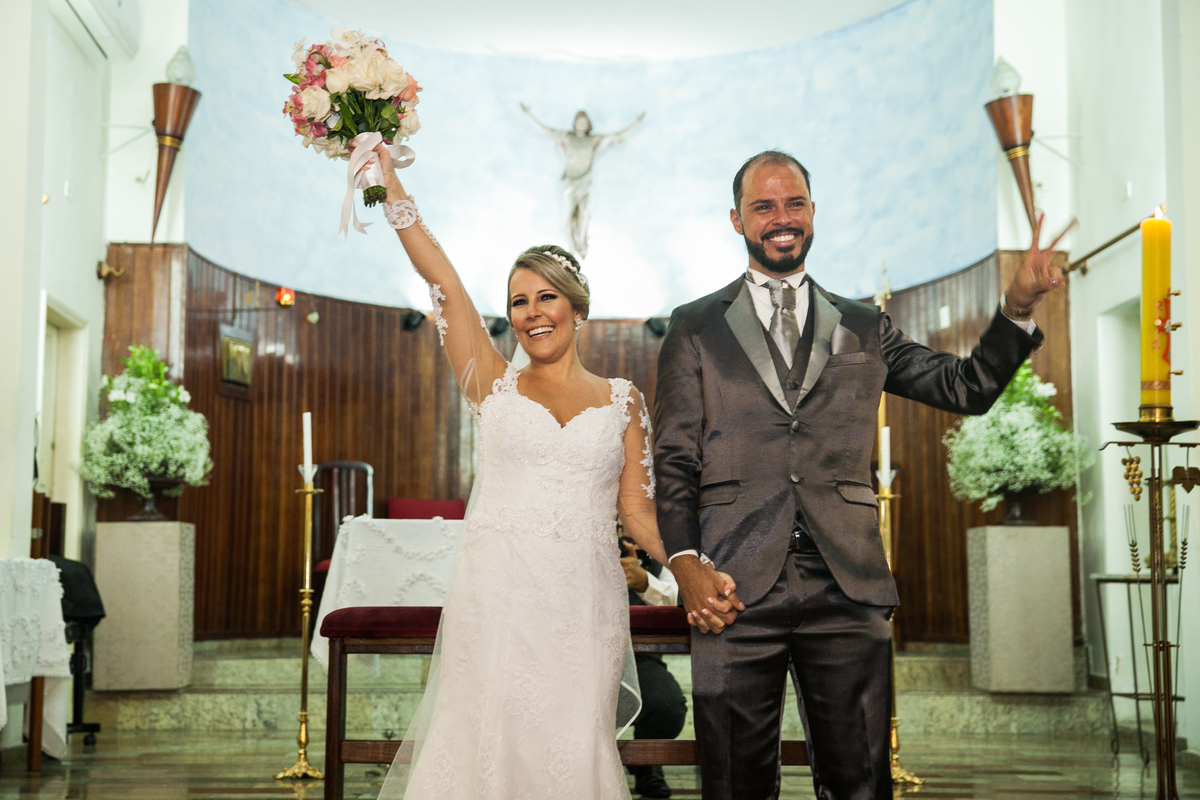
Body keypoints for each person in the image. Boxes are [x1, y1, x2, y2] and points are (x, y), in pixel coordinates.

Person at [653, 150, 1072, 799]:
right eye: (763, 206)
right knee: (734, 784)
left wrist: (1017, 306)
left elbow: (967, 387)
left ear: (814, 213)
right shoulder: (694, 326)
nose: (781, 218)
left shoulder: (862, 326)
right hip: (732, 583)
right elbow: (675, 458)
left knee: (862, 785)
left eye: (794, 203)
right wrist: (684, 561)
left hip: (847, 584)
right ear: (735, 219)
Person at [359, 142, 739, 800]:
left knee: (569, 746)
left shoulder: (623, 400)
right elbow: (443, 281)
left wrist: (691, 565)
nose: (532, 311)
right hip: (498, 594)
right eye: (518, 301)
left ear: (577, 307)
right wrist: (388, 183)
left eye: (546, 297)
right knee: (486, 739)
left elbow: (640, 513)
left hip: (580, 604)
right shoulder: (492, 385)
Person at [519, 104, 645, 258]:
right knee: (567, 216)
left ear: (588, 125)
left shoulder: (592, 140)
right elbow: (544, 130)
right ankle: (571, 245)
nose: (581, 125)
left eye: (584, 123)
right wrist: (527, 114)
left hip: (584, 182)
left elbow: (617, 135)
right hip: (569, 183)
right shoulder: (566, 137)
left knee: (584, 214)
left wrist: (636, 123)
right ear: (574, 123)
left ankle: (581, 242)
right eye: (579, 122)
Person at [619, 535, 687, 798]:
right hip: (579, 657)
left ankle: (646, 763)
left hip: (640, 657)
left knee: (667, 706)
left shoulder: (659, 548)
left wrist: (645, 583)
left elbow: (681, 597)